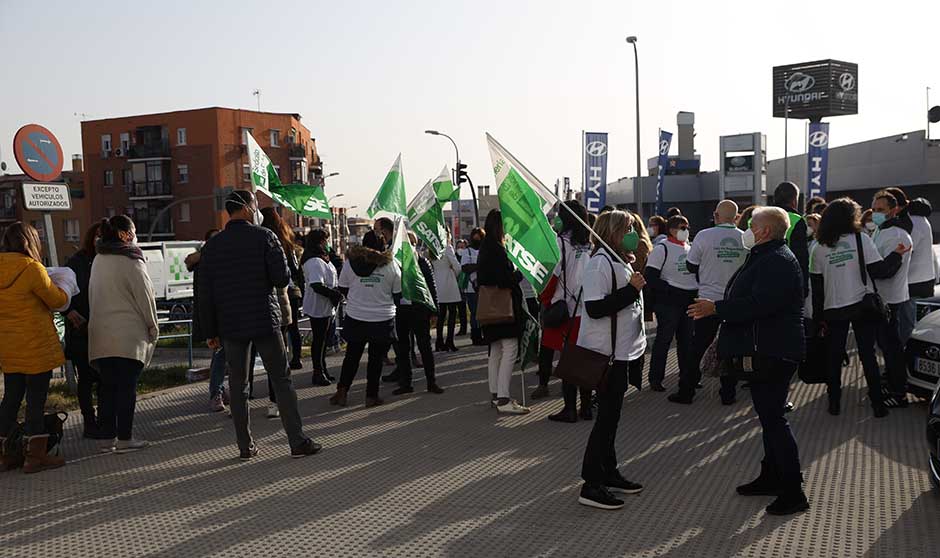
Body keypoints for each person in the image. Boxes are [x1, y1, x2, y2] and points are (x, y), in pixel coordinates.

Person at [688, 206, 809, 516]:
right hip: (766, 347)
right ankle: (771, 477)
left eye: (751, 225)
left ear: (765, 231)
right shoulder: (767, 255)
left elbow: (760, 304)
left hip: (773, 350)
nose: (746, 230)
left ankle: (793, 491)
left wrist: (716, 308)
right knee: (769, 418)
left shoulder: (777, 260)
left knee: (774, 420)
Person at [198, 190, 321, 459]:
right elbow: (281, 279)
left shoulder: (213, 245)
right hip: (265, 320)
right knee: (281, 380)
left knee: (239, 386)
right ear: (245, 208)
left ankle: (245, 446)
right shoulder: (266, 237)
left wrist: (209, 332)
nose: (257, 210)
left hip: (230, 325)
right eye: (255, 205)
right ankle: (297, 442)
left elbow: (204, 292)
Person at [809, 198, 909, 418]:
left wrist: (819, 318)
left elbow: (817, 288)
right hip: (862, 306)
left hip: (833, 308)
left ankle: (834, 403)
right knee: (867, 356)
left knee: (833, 357)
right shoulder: (861, 239)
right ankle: (878, 406)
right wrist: (897, 255)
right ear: (851, 217)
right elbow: (881, 271)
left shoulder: (818, 248)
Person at [575, 210, 647, 510]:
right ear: (614, 232)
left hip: (622, 352)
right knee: (605, 419)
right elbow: (595, 308)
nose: (633, 232)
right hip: (606, 355)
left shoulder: (619, 260)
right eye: (628, 227)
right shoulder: (599, 264)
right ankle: (591, 484)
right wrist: (632, 291)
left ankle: (609, 472)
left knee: (612, 417)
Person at [0, 223, 69, 473]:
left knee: (10, 398)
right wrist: (64, 286)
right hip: (36, 346)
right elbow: (57, 300)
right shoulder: (32, 269)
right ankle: (34, 456)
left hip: (8, 346)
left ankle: (5, 455)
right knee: (36, 401)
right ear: (30, 242)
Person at [88, 215, 160, 454]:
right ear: (126, 234)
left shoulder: (98, 259)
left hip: (101, 334)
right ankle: (125, 437)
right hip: (128, 335)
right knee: (127, 388)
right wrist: (153, 326)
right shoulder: (132, 260)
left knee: (107, 388)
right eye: (135, 231)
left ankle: (105, 438)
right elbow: (145, 298)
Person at [670, 200, 747, 405]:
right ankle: (728, 394)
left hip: (706, 301)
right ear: (737, 217)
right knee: (731, 348)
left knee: (697, 348)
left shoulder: (704, 236)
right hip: (733, 303)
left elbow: (691, 265)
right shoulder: (745, 238)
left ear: (716, 215)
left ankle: (686, 391)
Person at [330, 230, 401, 407]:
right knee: (376, 359)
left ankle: (341, 392)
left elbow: (343, 288)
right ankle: (371, 396)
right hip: (382, 318)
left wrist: (359, 297)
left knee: (352, 356)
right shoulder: (391, 265)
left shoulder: (350, 263)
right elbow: (398, 293)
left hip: (356, 316)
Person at [534, 201, 592, 420]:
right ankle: (586, 407)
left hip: (565, 308)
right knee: (583, 359)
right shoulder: (589, 242)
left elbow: (551, 276)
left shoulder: (560, 242)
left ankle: (569, 409)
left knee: (568, 362)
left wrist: (545, 298)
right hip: (586, 308)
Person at [477, 210, 529, 414]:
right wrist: (520, 274)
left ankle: (496, 394)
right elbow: (505, 279)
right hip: (503, 308)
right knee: (510, 349)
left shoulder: (485, 247)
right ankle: (504, 398)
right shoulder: (497, 249)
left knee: (496, 351)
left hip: (490, 308)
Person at [64, 222, 111, 436]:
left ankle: (104, 419)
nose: (100, 240)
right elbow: (63, 292)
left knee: (104, 379)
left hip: (105, 328)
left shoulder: (111, 260)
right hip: (81, 330)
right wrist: (69, 311)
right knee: (86, 378)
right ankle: (89, 422)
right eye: (97, 236)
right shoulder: (76, 262)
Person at [870, 191, 913, 409]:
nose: (876, 214)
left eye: (881, 210)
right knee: (886, 347)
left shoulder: (898, 235)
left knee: (893, 348)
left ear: (893, 210)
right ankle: (892, 383)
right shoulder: (880, 229)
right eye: (875, 209)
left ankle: (899, 393)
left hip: (891, 300)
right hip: (882, 299)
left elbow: (885, 270)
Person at [645, 215, 698, 392]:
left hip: (689, 301)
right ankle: (655, 378)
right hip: (668, 303)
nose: (686, 231)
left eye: (687, 227)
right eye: (683, 227)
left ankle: (687, 378)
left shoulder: (690, 248)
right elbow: (650, 276)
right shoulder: (661, 249)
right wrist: (669, 289)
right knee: (664, 341)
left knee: (687, 343)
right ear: (672, 230)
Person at [393, 232, 445, 396]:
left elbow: (431, 287)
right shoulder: (395, 264)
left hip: (419, 310)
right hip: (401, 311)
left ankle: (431, 382)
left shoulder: (423, 262)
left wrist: (434, 310)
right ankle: (405, 383)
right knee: (403, 349)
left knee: (424, 346)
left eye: (412, 243)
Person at [185, 228, 228, 413]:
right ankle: (216, 393)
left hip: (227, 315)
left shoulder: (222, 260)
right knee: (220, 356)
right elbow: (204, 298)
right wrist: (209, 330)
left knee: (225, 357)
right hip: (216, 318)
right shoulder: (205, 265)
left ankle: (221, 390)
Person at [261, 208, 305, 371]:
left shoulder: (265, 238)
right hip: (292, 290)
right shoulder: (287, 238)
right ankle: (296, 358)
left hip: (274, 291)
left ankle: (281, 361)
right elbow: (294, 269)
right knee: (292, 327)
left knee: (276, 331)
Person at [301, 229, 341, 387]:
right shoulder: (313, 261)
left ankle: (322, 369)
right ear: (319, 242)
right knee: (319, 341)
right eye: (325, 240)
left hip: (326, 306)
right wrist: (333, 294)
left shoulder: (323, 257)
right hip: (318, 305)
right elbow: (317, 285)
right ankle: (318, 372)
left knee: (323, 340)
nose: (327, 243)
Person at [899, 192, 935, 341]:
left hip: (912, 278)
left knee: (907, 316)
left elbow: (907, 248)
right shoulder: (924, 221)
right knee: (909, 313)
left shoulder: (914, 222)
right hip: (922, 276)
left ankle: (906, 347)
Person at [772, 182, 810, 299]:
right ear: (794, 201)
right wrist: (803, 286)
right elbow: (801, 256)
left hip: (760, 279)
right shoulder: (797, 220)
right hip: (788, 281)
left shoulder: (757, 217)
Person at [433, 234, 462, 352]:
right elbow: (457, 267)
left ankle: (439, 341)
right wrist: (453, 274)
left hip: (437, 282)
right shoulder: (447, 247)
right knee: (452, 313)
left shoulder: (431, 247)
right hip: (449, 282)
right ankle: (449, 341)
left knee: (441, 315)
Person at [462, 228, 485, 345]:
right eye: (475, 237)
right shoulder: (467, 251)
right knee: (475, 312)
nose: (477, 239)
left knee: (485, 312)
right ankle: (475, 336)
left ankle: (485, 334)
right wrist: (479, 266)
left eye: (479, 237)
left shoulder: (485, 250)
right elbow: (465, 267)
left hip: (485, 286)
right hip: (471, 288)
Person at [455, 238, 470, 335]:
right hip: (458, 285)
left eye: (462, 247)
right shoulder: (454, 257)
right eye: (459, 247)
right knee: (461, 307)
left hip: (469, 283)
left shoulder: (467, 255)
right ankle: (463, 328)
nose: (460, 249)